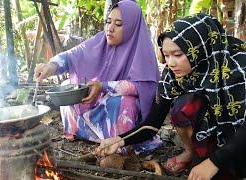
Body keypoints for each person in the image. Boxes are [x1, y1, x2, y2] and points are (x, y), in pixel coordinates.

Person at [96, 13, 246, 179]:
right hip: (214, 133)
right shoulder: (172, 75)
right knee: (185, 105)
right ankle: (195, 154)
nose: (171, 63)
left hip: (240, 138)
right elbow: (153, 122)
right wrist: (119, 140)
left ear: (199, 48)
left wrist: (214, 162)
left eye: (178, 54)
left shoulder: (237, 69)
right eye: (166, 55)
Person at [34, 0, 160, 154]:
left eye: (118, 24)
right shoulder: (100, 40)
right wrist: (50, 66)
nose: (110, 28)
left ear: (132, 27)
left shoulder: (142, 50)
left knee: (125, 103)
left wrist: (103, 86)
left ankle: (121, 142)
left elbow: (143, 87)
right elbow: (71, 56)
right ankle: (85, 132)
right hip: (97, 96)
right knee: (68, 87)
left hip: (116, 102)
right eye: (108, 22)